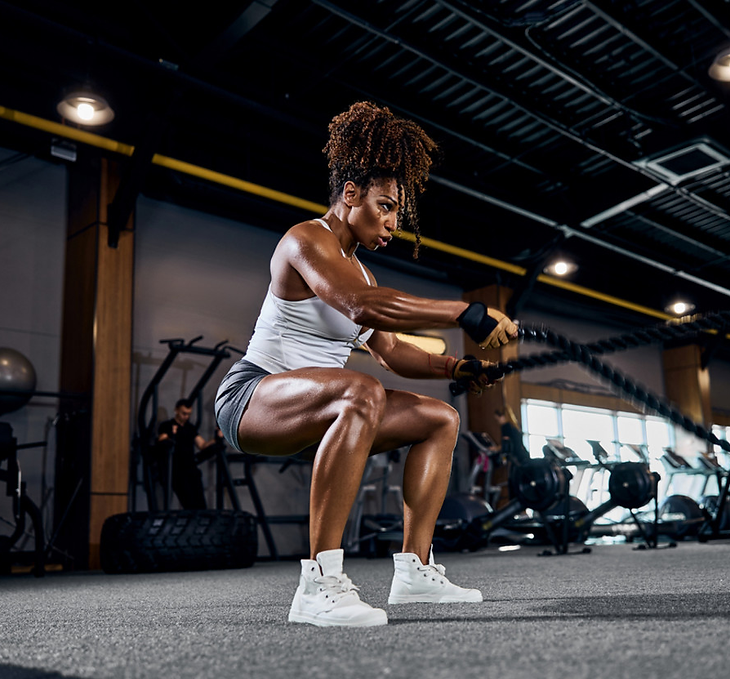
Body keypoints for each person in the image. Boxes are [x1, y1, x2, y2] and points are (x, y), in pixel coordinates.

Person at [214, 100, 518, 627]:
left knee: (439, 420)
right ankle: (318, 583)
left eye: (398, 210)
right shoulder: (306, 239)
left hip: (318, 405)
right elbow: (360, 308)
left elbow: (393, 351)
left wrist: (455, 371)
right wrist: (463, 313)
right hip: (252, 398)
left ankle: (414, 572)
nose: (393, 222)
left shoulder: (363, 274)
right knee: (360, 390)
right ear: (349, 195)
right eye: (384, 205)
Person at [157, 399, 211, 510]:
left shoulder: (190, 428)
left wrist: (218, 438)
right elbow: (162, 440)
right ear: (176, 410)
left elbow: (202, 445)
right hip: (176, 470)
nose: (186, 417)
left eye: (188, 414)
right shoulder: (167, 425)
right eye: (184, 413)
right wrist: (172, 434)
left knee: (200, 504)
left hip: (191, 468)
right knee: (189, 502)